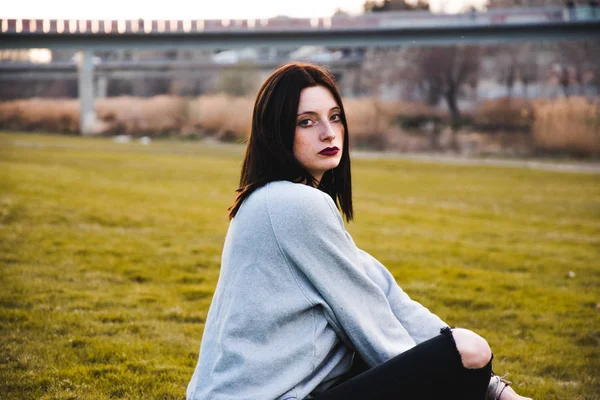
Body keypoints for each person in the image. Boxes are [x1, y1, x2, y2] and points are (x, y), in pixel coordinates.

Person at [186, 63, 532, 400]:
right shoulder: (294, 205)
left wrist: (492, 386)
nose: (328, 132)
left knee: (457, 349)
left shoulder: (269, 200)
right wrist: (447, 368)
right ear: (275, 131)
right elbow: (372, 324)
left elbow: (385, 294)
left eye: (334, 117)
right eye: (306, 122)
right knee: (469, 350)